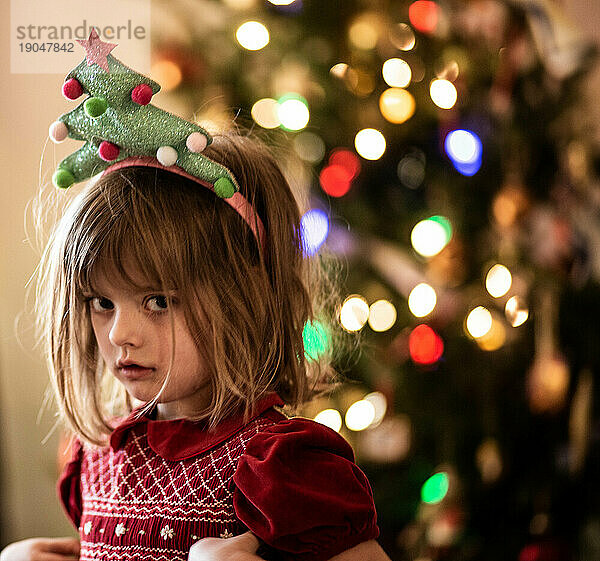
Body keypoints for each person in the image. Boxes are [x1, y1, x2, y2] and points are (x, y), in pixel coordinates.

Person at [1, 33, 391, 561]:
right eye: (102, 302)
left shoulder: (283, 470)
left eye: (158, 301)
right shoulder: (97, 457)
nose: (119, 333)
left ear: (243, 299)